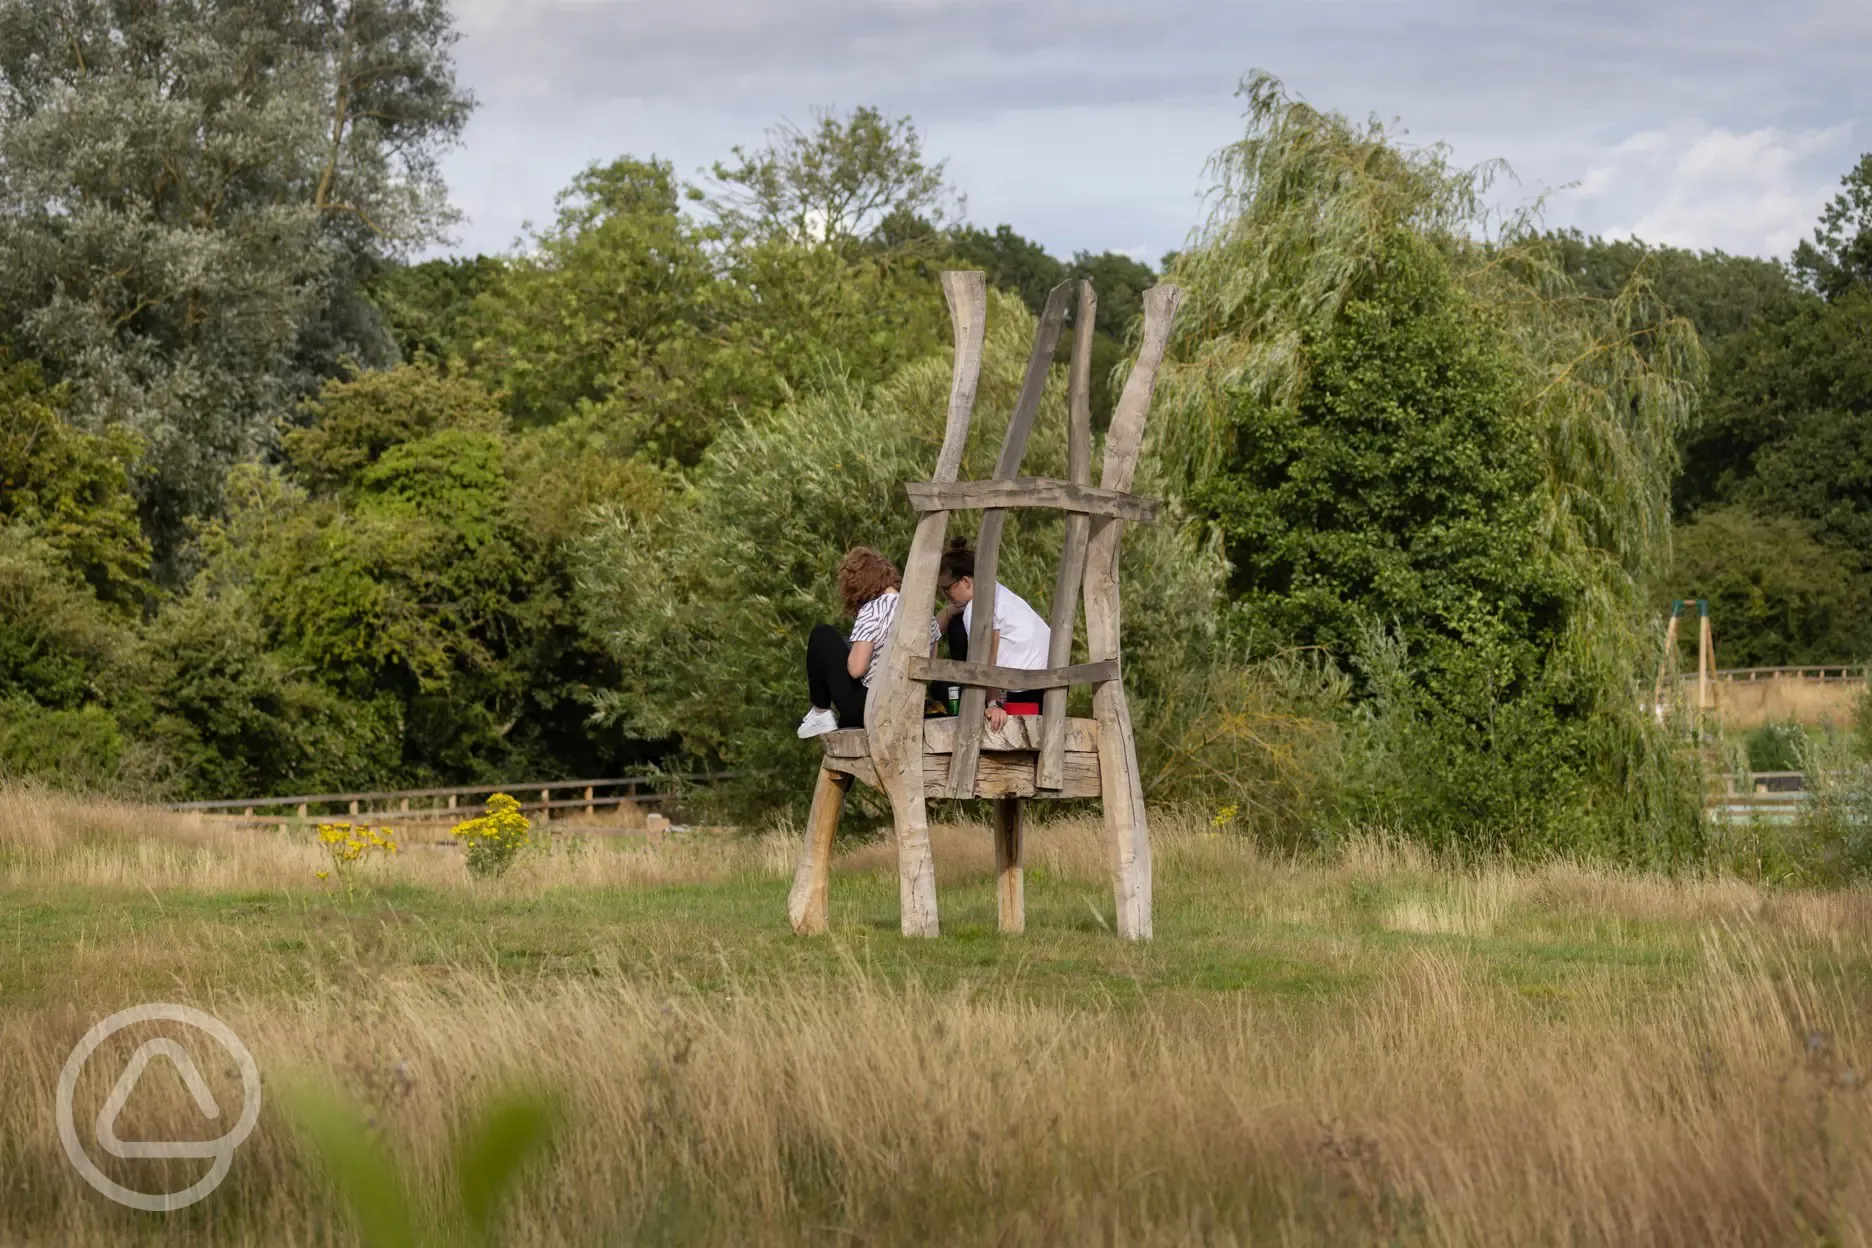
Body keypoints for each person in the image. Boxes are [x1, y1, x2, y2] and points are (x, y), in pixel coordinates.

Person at [933, 537, 1052, 731]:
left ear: (966, 581)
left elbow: (989, 657)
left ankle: (974, 706)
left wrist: (993, 703)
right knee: (955, 622)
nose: (945, 595)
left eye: (947, 590)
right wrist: (951, 609)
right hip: (1043, 687)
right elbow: (935, 627)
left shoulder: (977, 608)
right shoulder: (998, 592)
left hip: (1020, 691)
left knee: (940, 686)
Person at [797, 547, 906, 739]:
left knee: (823, 635)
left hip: (873, 708)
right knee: (846, 642)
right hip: (907, 701)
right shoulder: (921, 611)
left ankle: (821, 712)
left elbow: (856, 669)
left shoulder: (872, 610)